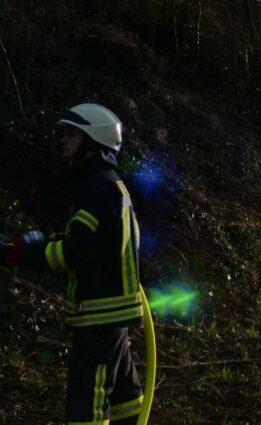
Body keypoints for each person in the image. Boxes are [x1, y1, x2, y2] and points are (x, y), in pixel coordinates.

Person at [1, 103, 144, 424]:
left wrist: (18, 255)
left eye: (71, 135)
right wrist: (32, 243)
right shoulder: (107, 184)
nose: (62, 141)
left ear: (92, 142)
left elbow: (74, 251)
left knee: (86, 404)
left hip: (98, 315)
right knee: (124, 396)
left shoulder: (96, 188)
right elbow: (88, 241)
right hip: (112, 313)